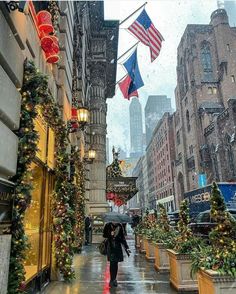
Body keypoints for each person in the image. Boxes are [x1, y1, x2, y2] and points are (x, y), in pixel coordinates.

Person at [103, 222, 131, 288]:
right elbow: (104, 235)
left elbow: (123, 238)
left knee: (116, 263)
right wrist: (110, 234)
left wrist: (126, 247)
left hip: (117, 247)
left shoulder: (120, 226)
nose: (114, 221)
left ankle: (114, 279)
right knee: (112, 263)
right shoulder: (107, 225)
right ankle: (112, 280)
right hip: (110, 247)